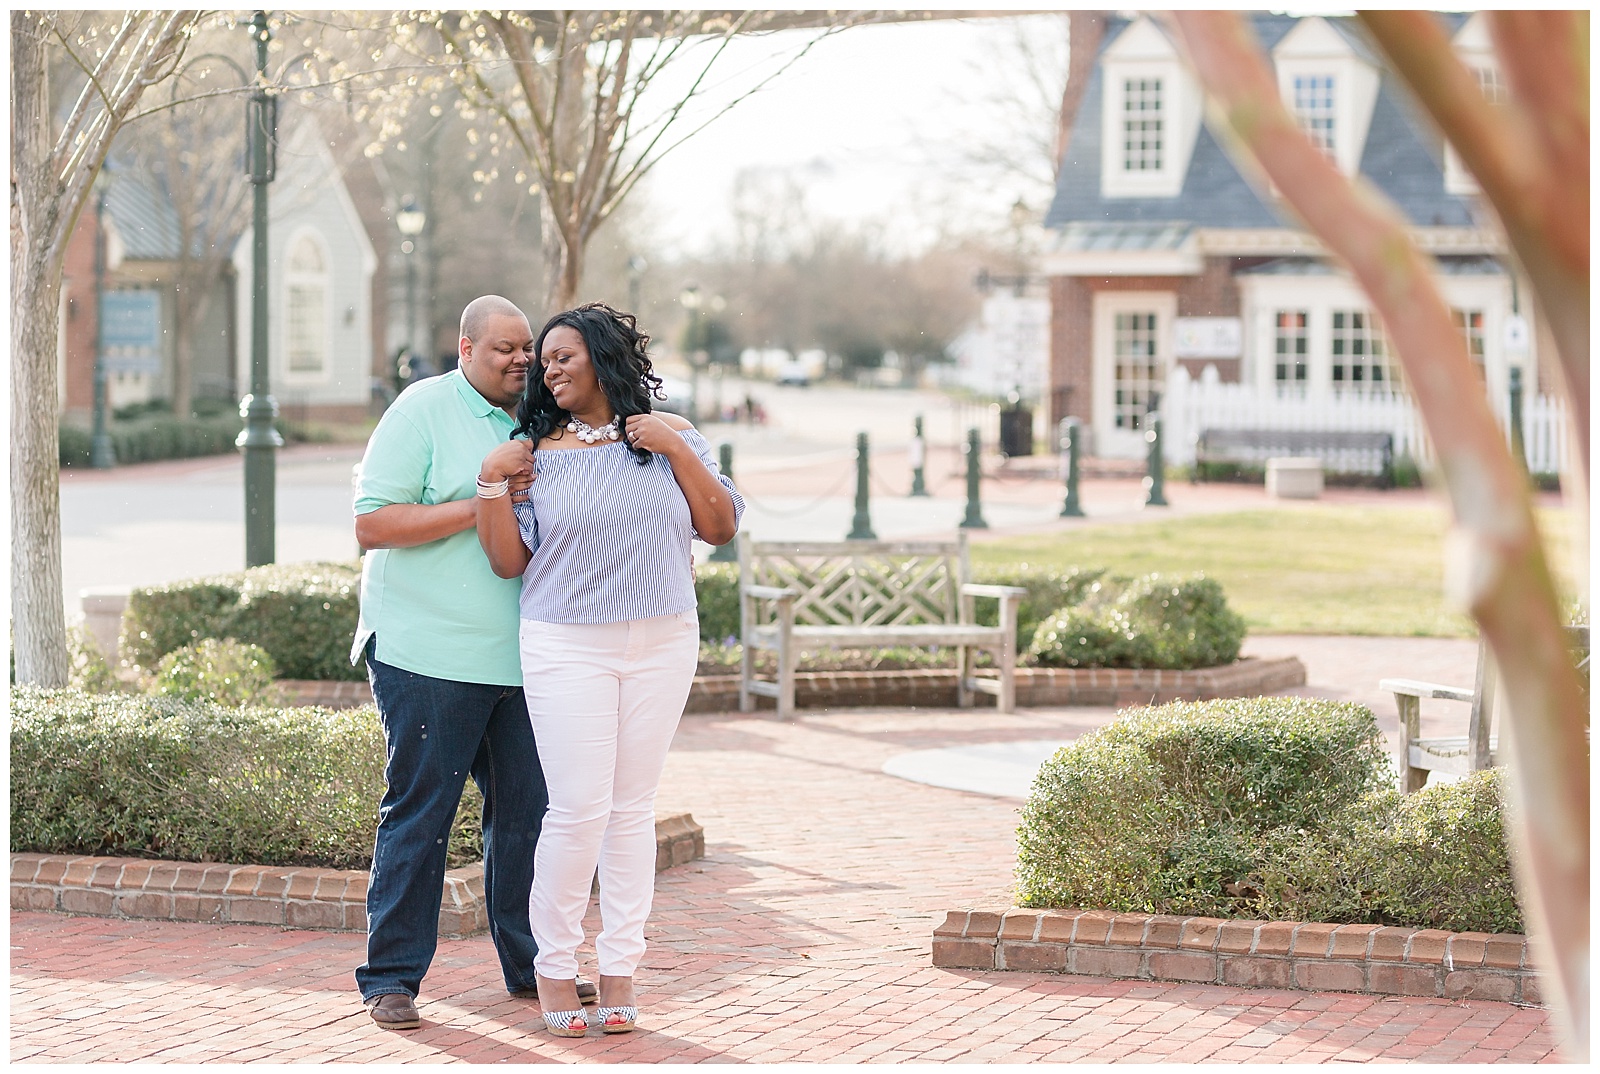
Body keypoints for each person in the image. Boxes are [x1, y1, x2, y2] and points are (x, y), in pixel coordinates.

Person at [475, 302, 742, 1037]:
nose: (546, 368)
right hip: (566, 643)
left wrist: (674, 449)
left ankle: (621, 965)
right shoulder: (532, 449)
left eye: (563, 356)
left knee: (632, 810)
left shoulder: (673, 435)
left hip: (661, 638)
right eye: (543, 360)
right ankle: (554, 965)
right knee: (578, 809)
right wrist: (491, 484)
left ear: (603, 356)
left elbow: (719, 527)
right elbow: (509, 563)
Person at [350, 295, 596, 1030]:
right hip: (427, 654)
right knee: (420, 817)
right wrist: (481, 499)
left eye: (529, 348)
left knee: (527, 820)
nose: (522, 360)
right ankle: (390, 978)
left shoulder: (543, 414)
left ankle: (529, 967)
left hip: (528, 658)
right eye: (505, 349)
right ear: (464, 349)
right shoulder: (423, 410)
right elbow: (371, 524)